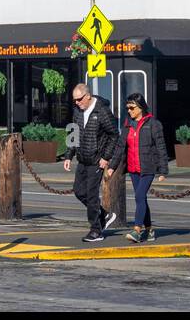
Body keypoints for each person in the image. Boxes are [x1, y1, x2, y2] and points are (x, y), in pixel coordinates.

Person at [63, 83, 124, 242]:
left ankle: (96, 231)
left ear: (88, 96)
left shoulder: (102, 111)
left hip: (97, 161)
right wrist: (69, 156)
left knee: (91, 196)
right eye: (74, 100)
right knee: (78, 191)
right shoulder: (77, 111)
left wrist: (106, 157)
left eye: (79, 99)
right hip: (82, 159)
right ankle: (104, 214)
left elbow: (114, 135)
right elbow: (72, 132)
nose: (77, 103)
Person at [122, 93, 167, 242]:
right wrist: (112, 166)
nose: (129, 110)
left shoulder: (153, 124)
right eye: (127, 107)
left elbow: (161, 147)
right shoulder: (128, 124)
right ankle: (149, 230)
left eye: (132, 107)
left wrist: (163, 169)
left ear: (140, 107)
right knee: (141, 199)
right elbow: (120, 146)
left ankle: (137, 230)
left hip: (148, 167)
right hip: (133, 168)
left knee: (139, 196)